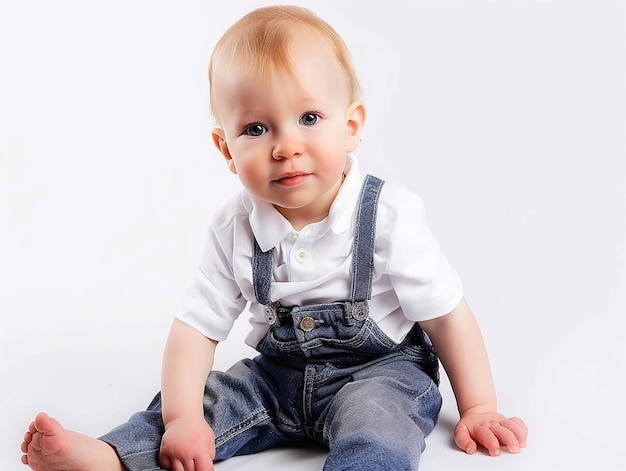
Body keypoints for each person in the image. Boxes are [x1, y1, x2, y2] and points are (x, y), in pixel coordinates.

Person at [21, 5, 528, 471]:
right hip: (279, 377)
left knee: (379, 425)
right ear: (226, 148)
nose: (286, 147)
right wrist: (183, 420)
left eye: (309, 118)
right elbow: (196, 329)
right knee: (212, 403)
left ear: (350, 126)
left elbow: (445, 315)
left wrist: (479, 406)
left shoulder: (389, 216)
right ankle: (113, 454)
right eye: (257, 128)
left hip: (380, 372)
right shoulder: (233, 226)